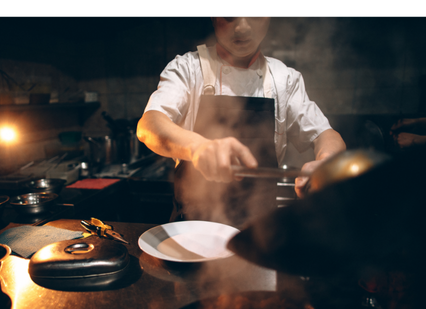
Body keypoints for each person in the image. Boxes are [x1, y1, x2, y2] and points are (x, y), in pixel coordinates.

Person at [137, 17, 346, 227]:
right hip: (193, 228)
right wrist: (198, 147)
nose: (242, 27)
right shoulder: (188, 69)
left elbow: (326, 135)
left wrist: (326, 162)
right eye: (229, 14)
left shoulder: (284, 79)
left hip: (261, 232)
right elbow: (149, 125)